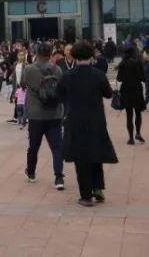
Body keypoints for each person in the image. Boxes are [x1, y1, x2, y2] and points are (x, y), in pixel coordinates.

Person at [59, 41, 117, 207]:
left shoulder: (68, 75)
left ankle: (85, 196)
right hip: (96, 120)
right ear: (91, 55)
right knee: (95, 153)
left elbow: (59, 94)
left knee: (80, 157)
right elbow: (108, 94)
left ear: (74, 56)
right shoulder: (98, 74)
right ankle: (97, 188)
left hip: (75, 120)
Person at [22, 44, 65, 190]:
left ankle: (31, 172)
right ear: (51, 54)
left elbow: (22, 84)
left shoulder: (29, 69)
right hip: (55, 113)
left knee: (34, 146)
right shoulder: (57, 69)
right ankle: (59, 177)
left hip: (36, 115)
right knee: (56, 147)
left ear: (37, 53)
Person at [116, 47, 146, 144]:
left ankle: (131, 138)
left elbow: (119, 78)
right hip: (137, 90)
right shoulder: (138, 63)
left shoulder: (122, 64)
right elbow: (143, 77)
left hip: (126, 91)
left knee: (129, 115)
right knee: (138, 113)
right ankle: (138, 133)